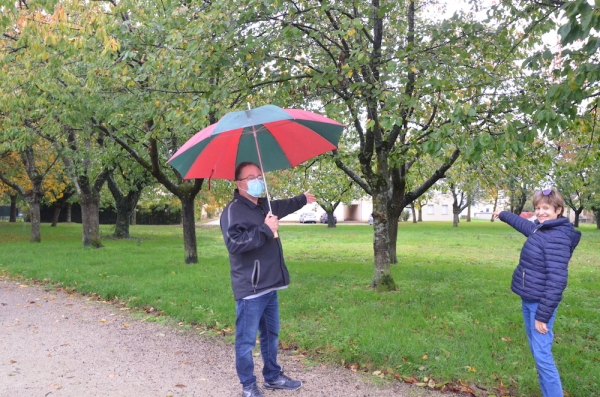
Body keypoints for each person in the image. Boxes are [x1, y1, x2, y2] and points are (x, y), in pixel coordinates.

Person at [220, 161, 315, 397]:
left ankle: (272, 377)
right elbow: (234, 244)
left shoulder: (264, 205)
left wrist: (303, 198)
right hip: (250, 289)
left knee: (271, 336)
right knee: (246, 342)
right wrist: (264, 229)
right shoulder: (233, 211)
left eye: (259, 176)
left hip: (270, 285)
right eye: (250, 177)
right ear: (238, 183)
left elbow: (284, 205)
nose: (257, 181)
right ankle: (248, 386)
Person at [492, 188, 581, 397]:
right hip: (530, 298)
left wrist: (543, 315)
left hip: (540, 304)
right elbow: (525, 225)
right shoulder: (543, 229)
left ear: (558, 210)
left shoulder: (556, 238)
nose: (540, 212)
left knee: (542, 355)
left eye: (546, 208)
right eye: (538, 208)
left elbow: (557, 280)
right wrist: (503, 214)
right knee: (537, 351)